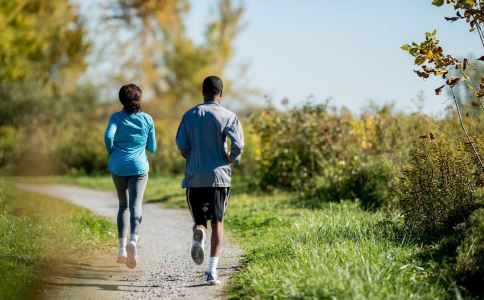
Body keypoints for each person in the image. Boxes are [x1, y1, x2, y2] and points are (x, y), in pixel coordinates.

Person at [176, 75, 244, 285]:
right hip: (219, 178)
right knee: (218, 221)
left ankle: (199, 233)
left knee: (200, 221)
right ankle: (211, 272)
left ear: (202, 92)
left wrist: (191, 157)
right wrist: (230, 159)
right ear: (220, 94)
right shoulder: (229, 116)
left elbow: (181, 144)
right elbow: (238, 145)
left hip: (195, 177)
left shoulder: (189, 115)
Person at [104, 83, 156, 269]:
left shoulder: (115, 118)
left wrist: (112, 152)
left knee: (123, 206)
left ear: (121, 100)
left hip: (118, 166)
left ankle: (121, 250)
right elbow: (152, 147)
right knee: (136, 205)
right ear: (139, 99)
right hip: (139, 167)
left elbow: (108, 137)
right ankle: (133, 241)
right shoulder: (147, 119)